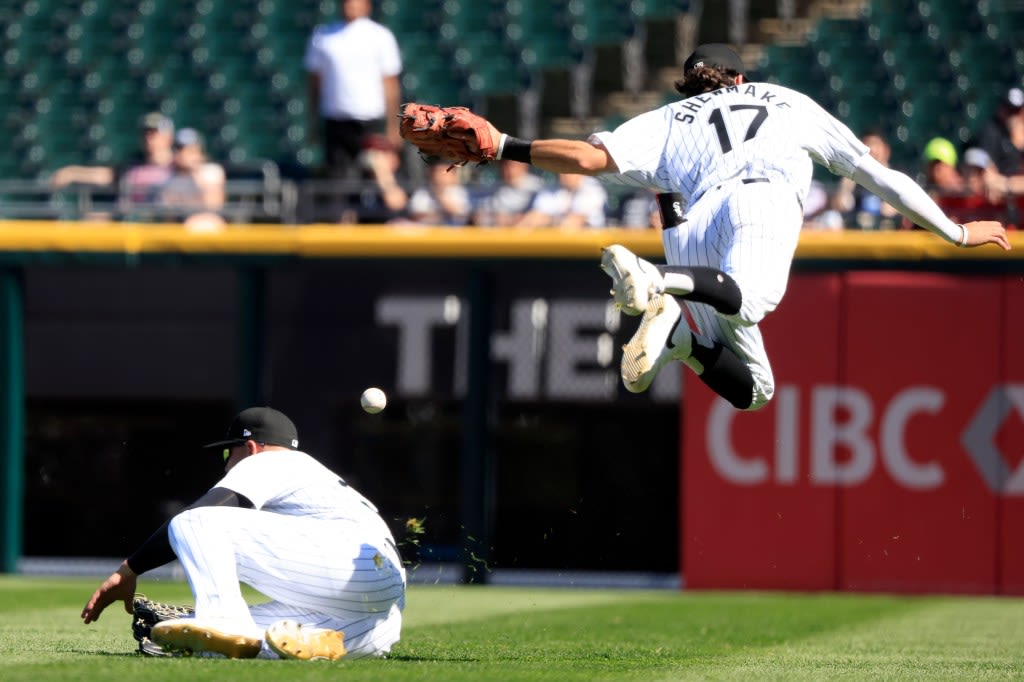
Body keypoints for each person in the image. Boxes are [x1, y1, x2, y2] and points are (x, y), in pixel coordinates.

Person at [438, 43, 1010, 411]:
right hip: (758, 201)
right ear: (739, 77)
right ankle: (659, 282)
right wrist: (954, 232)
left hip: (692, 227)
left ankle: (682, 337)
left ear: (689, 84)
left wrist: (505, 144)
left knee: (756, 391)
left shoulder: (665, 117)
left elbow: (587, 160)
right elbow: (877, 176)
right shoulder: (783, 99)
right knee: (755, 299)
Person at [81, 406, 406, 660]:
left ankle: (221, 618)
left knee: (192, 521)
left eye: (227, 452)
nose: (225, 464)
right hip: (381, 610)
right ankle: (312, 641)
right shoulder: (319, 478)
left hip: (348, 563)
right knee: (250, 640)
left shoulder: (270, 462)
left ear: (250, 447)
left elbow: (203, 512)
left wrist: (129, 569)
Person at [305, 0, 403, 180]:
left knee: (373, 177)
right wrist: (312, 120)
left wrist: (392, 126)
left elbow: (390, 84)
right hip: (335, 120)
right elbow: (315, 83)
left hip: (370, 120)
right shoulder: (323, 36)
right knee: (337, 179)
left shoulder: (380, 36)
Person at [50, 112, 175, 216]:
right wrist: (72, 172)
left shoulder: (176, 166)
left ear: (168, 136)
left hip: (158, 222)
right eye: (145, 133)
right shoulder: (134, 163)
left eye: (154, 133)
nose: (149, 138)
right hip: (126, 222)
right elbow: (107, 175)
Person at [157, 127, 227, 230]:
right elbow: (169, 213)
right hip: (180, 225)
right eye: (179, 149)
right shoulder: (170, 176)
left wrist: (194, 171)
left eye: (190, 150)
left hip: (208, 222)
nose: (183, 154)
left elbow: (213, 206)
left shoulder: (211, 171)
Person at [831, 129, 901, 229]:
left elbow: (891, 210)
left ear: (886, 151)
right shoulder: (851, 177)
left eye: (875, 145)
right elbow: (841, 205)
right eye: (866, 145)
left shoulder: (896, 177)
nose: (871, 150)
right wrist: (848, 181)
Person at [515, 173, 609, 229]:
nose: (563, 174)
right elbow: (532, 219)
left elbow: (573, 223)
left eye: (569, 169)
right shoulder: (550, 189)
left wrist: (548, 220)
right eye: (562, 170)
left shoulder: (592, 189)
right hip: (556, 246)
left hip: (589, 249)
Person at [966, 86, 1024, 178]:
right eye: (1009, 110)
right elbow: (985, 166)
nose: (1012, 116)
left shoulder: (1019, 132)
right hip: (1002, 186)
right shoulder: (990, 131)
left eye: (1015, 112)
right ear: (1001, 108)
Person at [472, 160, 544, 227]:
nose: (508, 169)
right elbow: (480, 216)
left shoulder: (537, 187)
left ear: (524, 165)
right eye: (504, 165)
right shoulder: (495, 188)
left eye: (512, 165)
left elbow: (541, 217)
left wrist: (516, 223)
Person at [402, 160, 471, 226]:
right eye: (437, 172)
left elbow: (461, 214)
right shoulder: (423, 192)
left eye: (445, 173)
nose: (440, 176)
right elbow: (415, 214)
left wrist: (440, 195)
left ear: (453, 176)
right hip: (427, 232)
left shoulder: (459, 192)